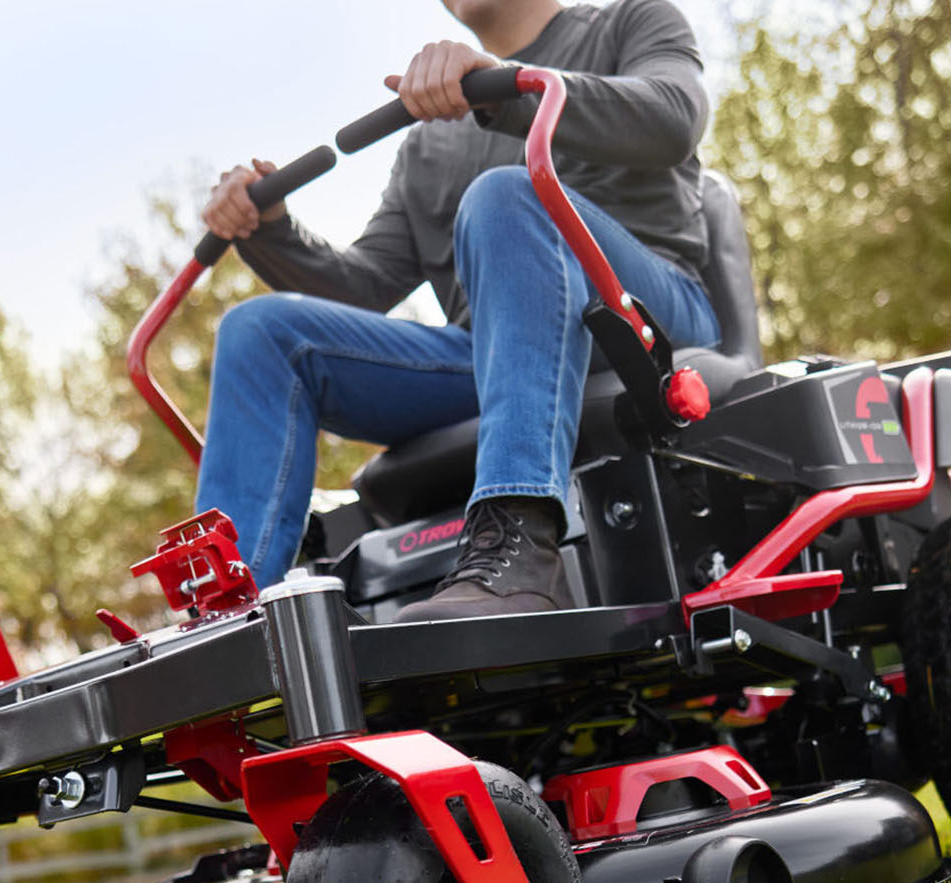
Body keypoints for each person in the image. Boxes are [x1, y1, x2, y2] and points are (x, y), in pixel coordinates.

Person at [198, 0, 720, 620]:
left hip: (641, 318)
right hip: (492, 352)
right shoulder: (429, 141)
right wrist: (273, 231)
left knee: (507, 194)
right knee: (260, 331)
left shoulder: (632, 22)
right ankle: (227, 609)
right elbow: (366, 285)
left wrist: (506, 92)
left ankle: (520, 544)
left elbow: (673, 116)